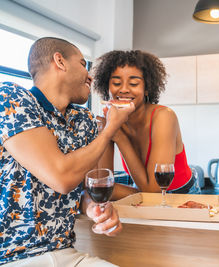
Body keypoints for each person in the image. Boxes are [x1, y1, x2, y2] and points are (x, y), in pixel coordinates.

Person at [0, 37, 135, 266]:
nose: (90, 76)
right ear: (59, 61)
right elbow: (61, 178)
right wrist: (111, 127)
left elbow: (83, 187)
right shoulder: (10, 98)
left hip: (66, 253)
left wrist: (93, 207)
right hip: (13, 258)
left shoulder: (84, 120)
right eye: (83, 64)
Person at [92, 50, 200, 196]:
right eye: (116, 83)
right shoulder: (111, 120)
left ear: (147, 88)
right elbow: (102, 184)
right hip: (143, 192)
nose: (123, 89)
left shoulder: (164, 117)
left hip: (181, 195)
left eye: (134, 83)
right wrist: (106, 130)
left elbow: (153, 190)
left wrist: (119, 136)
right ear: (107, 88)